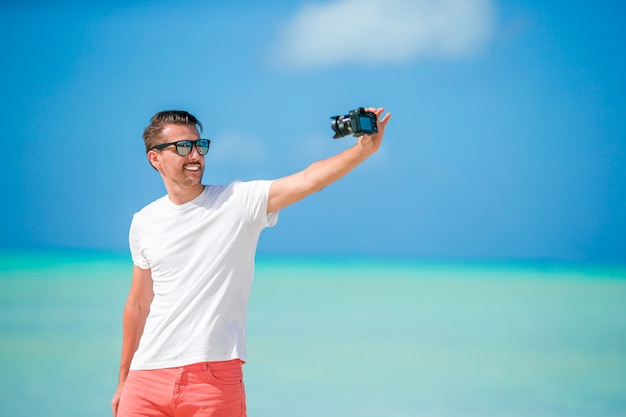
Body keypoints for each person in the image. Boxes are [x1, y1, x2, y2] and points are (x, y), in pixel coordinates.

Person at [111, 107, 391, 417]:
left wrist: (362, 151)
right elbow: (138, 304)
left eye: (199, 145)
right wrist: (124, 379)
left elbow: (308, 180)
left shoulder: (238, 202)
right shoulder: (144, 221)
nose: (195, 155)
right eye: (183, 147)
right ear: (155, 158)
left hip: (213, 381)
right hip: (146, 380)